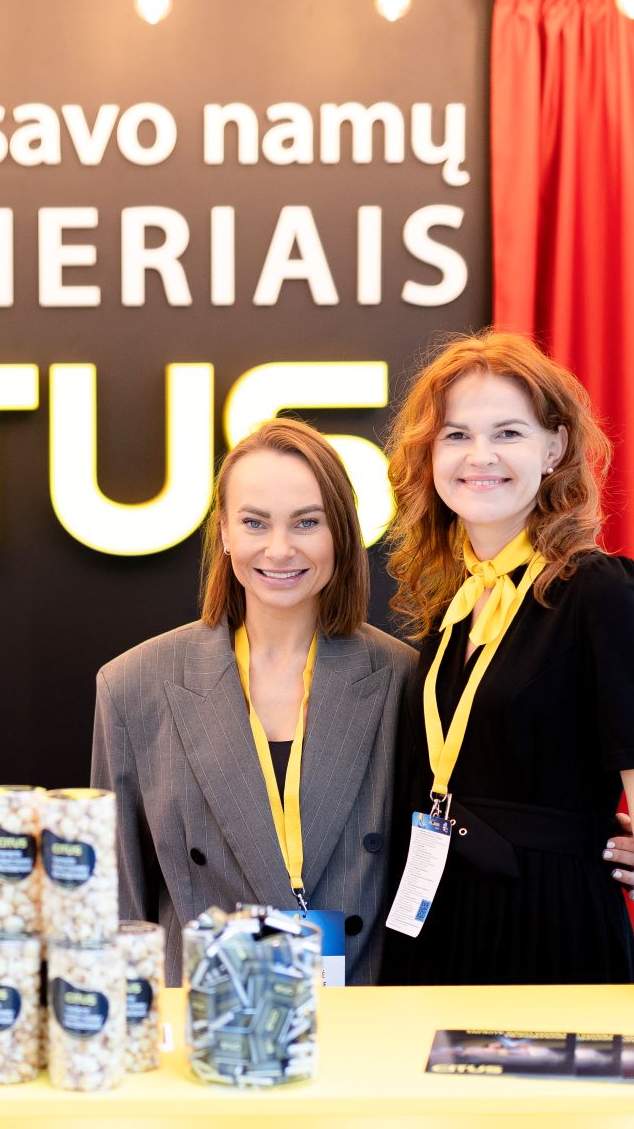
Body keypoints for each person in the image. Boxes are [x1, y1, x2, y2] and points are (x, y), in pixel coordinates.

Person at [376, 331, 634, 1035]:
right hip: (437, 921)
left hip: (550, 924)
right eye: (457, 435)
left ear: (553, 448)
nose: (480, 455)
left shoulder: (600, 592)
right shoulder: (454, 610)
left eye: (508, 432)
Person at [90, 418, 416, 984]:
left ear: (341, 532)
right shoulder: (133, 685)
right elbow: (119, 903)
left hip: (361, 1010)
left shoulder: (405, 677)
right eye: (254, 523)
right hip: (205, 1014)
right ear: (223, 531)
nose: (279, 549)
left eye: (307, 522)